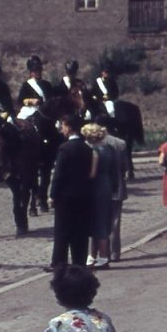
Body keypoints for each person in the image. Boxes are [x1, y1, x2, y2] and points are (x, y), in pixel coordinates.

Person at [48, 114, 94, 270]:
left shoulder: (65, 148)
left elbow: (58, 175)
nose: (62, 129)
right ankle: (79, 262)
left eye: (63, 126)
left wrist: (52, 195)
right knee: (80, 231)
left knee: (62, 230)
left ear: (68, 127)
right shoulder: (87, 148)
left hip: (65, 196)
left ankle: (58, 262)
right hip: (83, 194)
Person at [82, 123, 118, 270]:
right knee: (102, 220)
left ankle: (101, 256)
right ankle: (95, 256)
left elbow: (91, 172)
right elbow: (115, 170)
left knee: (97, 222)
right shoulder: (109, 149)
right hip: (106, 185)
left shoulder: (92, 151)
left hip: (95, 186)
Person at [95, 117, 127, 262]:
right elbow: (124, 166)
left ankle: (103, 252)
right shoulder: (120, 143)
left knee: (100, 220)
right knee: (115, 221)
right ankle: (115, 253)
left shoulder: (94, 143)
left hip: (99, 186)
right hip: (117, 185)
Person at [17, 55, 54, 121]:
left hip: (46, 113)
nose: (37, 72)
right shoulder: (26, 85)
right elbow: (20, 101)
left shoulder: (47, 85)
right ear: (31, 72)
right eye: (35, 70)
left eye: (39, 69)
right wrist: (31, 101)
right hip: (31, 112)